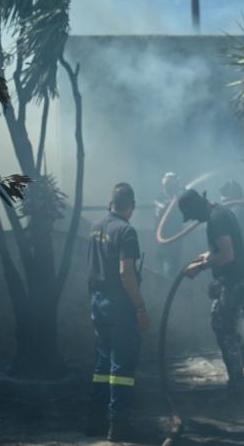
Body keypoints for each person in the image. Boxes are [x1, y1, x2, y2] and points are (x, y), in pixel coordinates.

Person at [178, 189, 244, 405]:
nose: (195, 220)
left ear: (197, 206)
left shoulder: (216, 220)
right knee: (222, 325)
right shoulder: (219, 213)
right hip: (236, 279)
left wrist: (200, 267)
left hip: (235, 281)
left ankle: (237, 388)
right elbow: (225, 248)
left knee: (223, 328)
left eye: (192, 214)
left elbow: (227, 255)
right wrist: (208, 256)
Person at [85, 183, 149, 442]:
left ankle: (95, 421)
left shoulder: (95, 228)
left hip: (98, 303)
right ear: (131, 206)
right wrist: (141, 307)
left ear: (111, 202)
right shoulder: (126, 231)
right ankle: (118, 425)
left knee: (102, 365)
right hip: (121, 306)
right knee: (121, 369)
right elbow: (126, 273)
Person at [154, 171, 184, 278]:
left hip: (174, 242)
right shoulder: (161, 199)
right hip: (166, 244)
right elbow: (166, 208)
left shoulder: (174, 198)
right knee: (169, 273)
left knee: (172, 269)